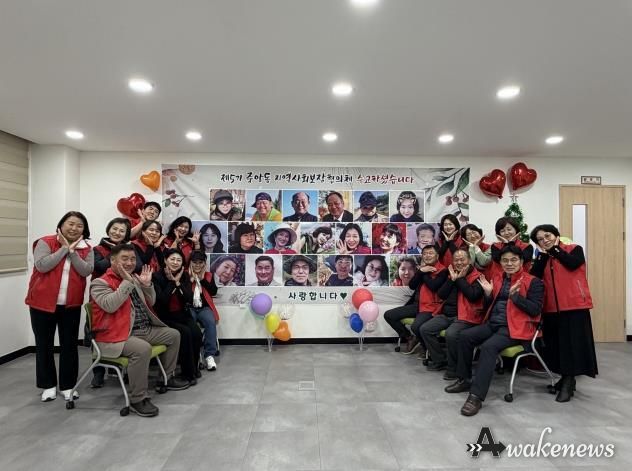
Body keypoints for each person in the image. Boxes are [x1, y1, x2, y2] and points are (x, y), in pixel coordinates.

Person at [90, 244, 189, 417]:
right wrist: (126, 282)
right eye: (124, 259)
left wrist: (147, 285)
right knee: (142, 349)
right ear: (112, 260)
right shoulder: (100, 283)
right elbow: (110, 306)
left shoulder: (134, 278)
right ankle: (138, 398)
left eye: (132, 259)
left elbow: (151, 301)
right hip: (116, 335)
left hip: (143, 329)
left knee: (174, 335)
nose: (130, 263)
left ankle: (165, 378)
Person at [446, 245, 544, 417]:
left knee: (488, 347)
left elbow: (535, 310)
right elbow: (488, 306)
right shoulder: (498, 278)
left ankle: (475, 397)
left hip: (515, 328)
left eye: (513, 260)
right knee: (465, 336)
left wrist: (515, 297)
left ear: (521, 261)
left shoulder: (534, 282)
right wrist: (488, 295)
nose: (509, 264)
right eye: (505, 260)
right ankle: (464, 379)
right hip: (493, 324)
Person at [25, 211, 94, 402]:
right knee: (44, 345)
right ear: (61, 225)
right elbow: (42, 265)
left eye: (79, 225)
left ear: (84, 229)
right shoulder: (45, 242)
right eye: (70, 224)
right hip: (41, 304)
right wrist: (64, 249)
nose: (74, 228)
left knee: (69, 346)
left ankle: (68, 386)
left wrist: (72, 252)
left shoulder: (87, 248)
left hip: (70, 305)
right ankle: (48, 385)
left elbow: (86, 270)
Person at [529, 224, 598, 402]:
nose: (545, 240)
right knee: (557, 346)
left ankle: (568, 381)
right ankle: (565, 378)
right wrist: (543, 256)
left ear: (556, 235)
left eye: (547, 236)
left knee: (572, 346)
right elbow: (534, 277)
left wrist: (555, 249)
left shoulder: (574, 249)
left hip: (574, 306)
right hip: (551, 308)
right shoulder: (543, 257)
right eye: (540, 239)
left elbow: (573, 264)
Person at [420, 248, 483, 375]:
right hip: (446, 315)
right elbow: (441, 294)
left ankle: (453, 368)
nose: (459, 263)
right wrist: (451, 280)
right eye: (456, 260)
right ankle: (440, 360)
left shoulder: (478, 276)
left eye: (462, 260)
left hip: (465, 316)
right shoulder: (452, 274)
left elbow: (473, 296)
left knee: (451, 334)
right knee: (425, 329)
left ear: (469, 260)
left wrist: (460, 279)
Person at [91, 217, 132, 388]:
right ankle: (98, 372)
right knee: (99, 331)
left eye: (122, 231)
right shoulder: (97, 249)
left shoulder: (128, 249)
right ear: (108, 229)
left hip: (122, 291)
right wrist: (115, 253)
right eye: (115, 229)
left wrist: (122, 254)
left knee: (122, 328)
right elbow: (99, 266)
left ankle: (121, 370)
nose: (117, 233)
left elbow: (135, 266)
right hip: (102, 293)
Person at [384, 245, 447, 355]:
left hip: (432, 307)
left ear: (437, 256)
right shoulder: (422, 270)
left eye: (430, 253)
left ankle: (427, 350)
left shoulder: (443, 271)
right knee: (389, 315)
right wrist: (421, 272)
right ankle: (409, 337)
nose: (427, 256)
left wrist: (423, 273)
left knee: (416, 326)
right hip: (417, 305)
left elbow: (434, 286)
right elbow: (412, 285)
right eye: (425, 253)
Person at [152, 248, 202, 385]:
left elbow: (189, 299)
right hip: (164, 317)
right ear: (165, 260)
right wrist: (172, 282)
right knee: (185, 333)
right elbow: (161, 300)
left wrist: (179, 283)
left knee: (196, 333)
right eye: (172, 259)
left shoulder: (184, 276)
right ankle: (188, 373)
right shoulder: (157, 277)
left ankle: (194, 367)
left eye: (179, 260)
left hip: (182, 314)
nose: (175, 262)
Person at [189, 251, 220, 371]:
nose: (197, 265)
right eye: (195, 262)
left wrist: (202, 280)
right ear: (190, 263)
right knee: (190, 325)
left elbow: (213, 291)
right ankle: (195, 355)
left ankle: (209, 355)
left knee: (210, 322)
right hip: (189, 307)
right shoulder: (185, 275)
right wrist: (190, 280)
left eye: (200, 262)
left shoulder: (208, 275)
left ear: (204, 264)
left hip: (204, 307)